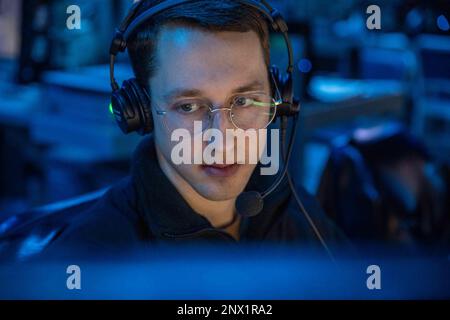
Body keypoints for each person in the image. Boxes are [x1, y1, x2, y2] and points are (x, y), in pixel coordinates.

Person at [18, 0, 348, 260]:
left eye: (245, 100)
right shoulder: (92, 260)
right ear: (142, 112)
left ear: (278, 99)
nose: (222, 139)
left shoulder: (289, 203)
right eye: (188, 106)